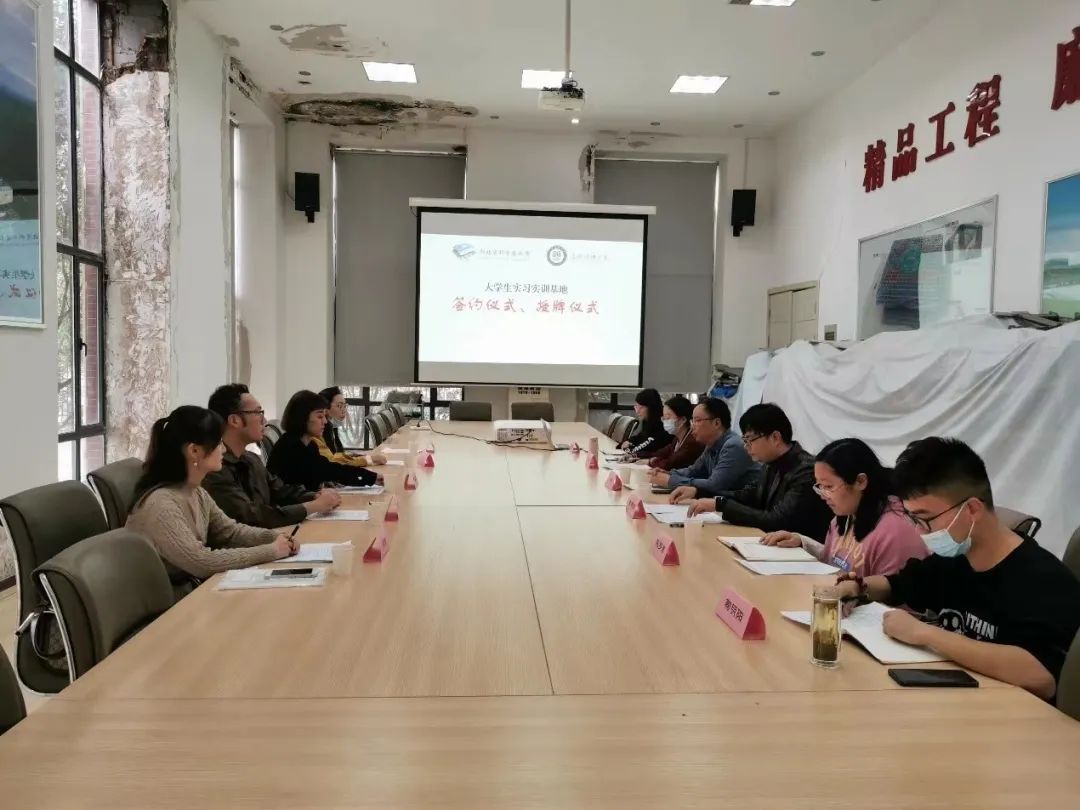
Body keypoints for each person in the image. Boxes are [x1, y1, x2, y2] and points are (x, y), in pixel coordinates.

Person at [833, 437, 1080, 700]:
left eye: (925, 519)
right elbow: (900, 584)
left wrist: (926, 634)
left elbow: (1040, 677)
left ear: (972, 509)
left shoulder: (1042, 580)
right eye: (913, 519)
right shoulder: (956, 557)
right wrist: (858, 587)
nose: (919, 531)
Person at [126, 406, 297, 598]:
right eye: (218, 443)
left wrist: (273, 537)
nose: (223, 449)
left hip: (191, 594)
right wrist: (271, 551)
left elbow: (230, 532)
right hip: (168, 606)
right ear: (194, 451)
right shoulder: (161, 505)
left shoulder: (196, 491)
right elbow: (202, 561)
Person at [760, 438, 928, 577]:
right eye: (819, 486)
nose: (823, 495)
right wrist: (802, 542)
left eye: (829, 487)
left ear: (860, 482)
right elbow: (838, 561)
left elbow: (892, 597)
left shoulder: (895, 531)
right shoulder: (845, 515)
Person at [685, 402, 832, 540]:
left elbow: (777, 521)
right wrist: (700, 492)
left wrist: (720, 505)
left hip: (802, 552)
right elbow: (748, 496)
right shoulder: (771, 463)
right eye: (745, 440)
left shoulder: (806, 471)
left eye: (750, 440)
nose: (746, 447)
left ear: (775, 437)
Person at [203, 384, 342, 528]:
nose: (264, 420)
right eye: (258, 412)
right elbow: (252, 517)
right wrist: (313, 506)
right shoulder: (215, 469)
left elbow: (281, 491)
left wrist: (314, 496)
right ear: (234, 420)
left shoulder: (252, 459)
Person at [267, 390, 380, 491]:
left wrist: (371, 478)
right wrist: (371, 477)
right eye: (320, 417)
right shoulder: (291, 447)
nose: (325, 422)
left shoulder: (309, 444)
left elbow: (329, 469)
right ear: (303, 417)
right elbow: (330, 471)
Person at [648, 397, 757, 496]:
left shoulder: (733, 446)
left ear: (716, 423)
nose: (692, 426)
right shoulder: (711, 444)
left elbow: (714, 485)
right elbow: (694, 471)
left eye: (697, 420)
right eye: (692, 421)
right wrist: (668, 473)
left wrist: (671, 480)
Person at [318, 386, 387, 467]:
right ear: (325, 408)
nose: (344, 410)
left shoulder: (332, 428)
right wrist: (368, 459)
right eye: (339, 406)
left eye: (345, 406)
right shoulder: (319, 431)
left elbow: (339, 454)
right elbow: (333, 460)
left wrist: (360, 456)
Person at [646, 395, 705, 472]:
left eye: (668, 417)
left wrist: (651, 461)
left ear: (683, 419)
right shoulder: (678, 438)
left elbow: (669, 464)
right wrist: (636, 455)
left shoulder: (692, 442)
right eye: (664, 418)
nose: (665, 421)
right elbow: (659, 453)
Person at [619, 388, 672, 457]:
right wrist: (629, 441)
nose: (637, 411)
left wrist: (630, 451)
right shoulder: (648, 420)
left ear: (651, 408)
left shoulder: (662, 424)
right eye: (636, 406)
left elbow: (648, 446)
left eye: (641, 407)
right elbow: (642, 436)